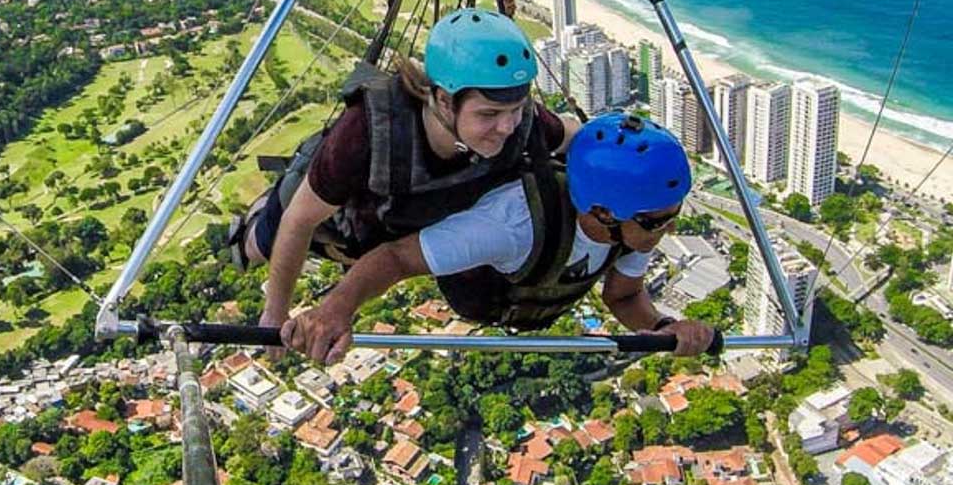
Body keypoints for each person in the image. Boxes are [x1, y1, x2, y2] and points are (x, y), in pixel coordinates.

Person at [224, 8, 578, 333]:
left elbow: (574, 136)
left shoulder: (524, 125)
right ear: (442, 100)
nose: (506, 126)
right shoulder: (368, 132)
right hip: (332, 221)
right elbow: (300, 221)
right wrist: (275, 315)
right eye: (488, 114)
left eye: (516, 109)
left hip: (389, 227)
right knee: (260, 245)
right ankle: (256, 216)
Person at [280, 113, 717, 363]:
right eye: (659, 222)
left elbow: (624, 296)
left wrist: (663, 326)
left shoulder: (630, 230)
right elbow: (395, 259)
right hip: (487, 290)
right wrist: (335, 309)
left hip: (531, 289)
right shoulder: (511, 223)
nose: (669, 230)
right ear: (602, 213)